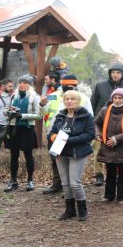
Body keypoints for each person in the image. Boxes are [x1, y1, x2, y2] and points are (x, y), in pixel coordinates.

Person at [39, 74, 93, 194]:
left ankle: (70, 188)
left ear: (75, 86)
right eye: (66, 86)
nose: (68, 88)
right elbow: (43, 112)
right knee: (56, 160)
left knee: (73, 162)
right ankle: (58, 185)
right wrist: (42, 104)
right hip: (54, 135)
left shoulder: (83, 98)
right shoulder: (53, 96)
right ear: (61, 85)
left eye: (72, 86)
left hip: (74, 136)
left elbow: (90, 117)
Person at [48, 90, 96, 221]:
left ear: (78, 101)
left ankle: (82, 209)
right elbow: (52, 132)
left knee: (75, 183)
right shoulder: (60, 116)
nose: (69, 101)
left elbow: (90, 135)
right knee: (65, 183)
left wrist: (68, 141)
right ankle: (70, 210)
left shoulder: (86, 117)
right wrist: (53, 137)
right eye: (67, 99)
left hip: (78, 153)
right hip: (61, 153)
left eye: (72, 99)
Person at [90, 62, 123, 186]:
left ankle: (118, 174)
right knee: (98, 150)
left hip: (121, 125)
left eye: (118, 72)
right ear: (110, 73)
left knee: (119, 151)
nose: (115, 75)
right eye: (113, 72)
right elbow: (92, 104)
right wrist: (93, 124)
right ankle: (99, 175)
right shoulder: (100, 85)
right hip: (102, 123)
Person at [95, 88, 123, 204]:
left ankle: (122, 196)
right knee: (110, 173)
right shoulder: (104, 111)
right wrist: (98, 134)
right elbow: (97, 124)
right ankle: (109, 195)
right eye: (115, 98)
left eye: (120, 98)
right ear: (112, 98)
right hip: (107, 147)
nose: (117, 100)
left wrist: (116, 139)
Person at [4, 74, 42, 192]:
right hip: (14, 128)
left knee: (28, 156)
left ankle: (30, 180)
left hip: (27, 129)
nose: (21, 85)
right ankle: (13, 181)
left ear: (29, 85)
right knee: (13, 156)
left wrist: (22, 115)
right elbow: (5, 110)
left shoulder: (35, 97)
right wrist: (9, 113)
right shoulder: (13, 96)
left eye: (24, 82)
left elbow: (39, 115)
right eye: (20, 82)